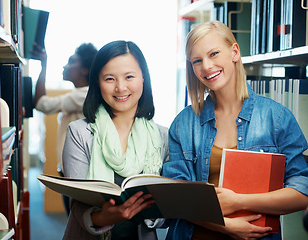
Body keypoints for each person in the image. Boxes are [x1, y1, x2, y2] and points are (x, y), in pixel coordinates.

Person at [162, 20, 308, 240]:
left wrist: (239, 201)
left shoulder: (276, 118)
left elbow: (302, 192)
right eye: (197, 61)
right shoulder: (183, 124)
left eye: (214, 54)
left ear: (234, 52)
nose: (207, 66)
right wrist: (225, 226)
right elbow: (176, 199)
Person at [61, 40, 169, 240]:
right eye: (109, 79)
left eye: (129, 77)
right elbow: (77, 206)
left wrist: (147, 213)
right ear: (97, 82)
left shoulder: (163, 137)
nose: (120, 88)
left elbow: (170, 210)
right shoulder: (79, 133)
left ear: (143, 78)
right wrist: (103, 217)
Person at [32, 42, 98, 216]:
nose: (65, 65)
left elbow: (41, 104)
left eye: (71, 62)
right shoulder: (81, 94)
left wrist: (43, 65)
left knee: (77, 221)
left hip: (76, 175)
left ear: (85, 70)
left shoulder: (83, 95)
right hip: (72, 172)